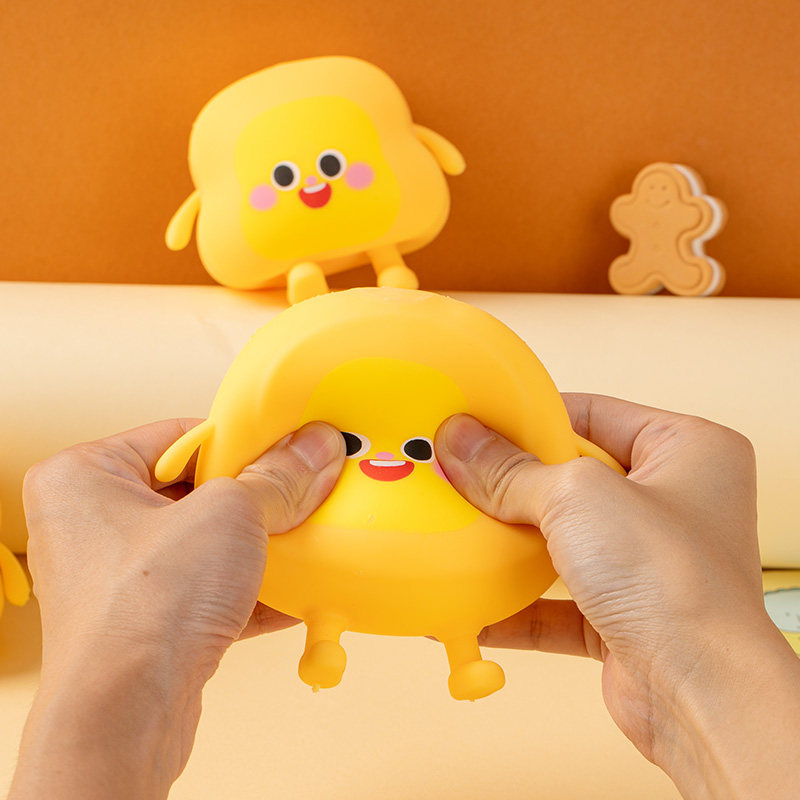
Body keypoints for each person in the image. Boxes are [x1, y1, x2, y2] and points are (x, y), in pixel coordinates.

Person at [8, 394, 800, 799]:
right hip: (333, 585)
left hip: (458, 587)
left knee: (457, 625)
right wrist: (702, 675)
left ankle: (456, 652)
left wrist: (120, 672)